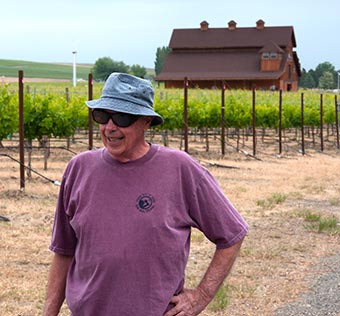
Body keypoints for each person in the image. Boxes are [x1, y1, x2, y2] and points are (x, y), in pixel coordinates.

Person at [43, 72, 249, 316]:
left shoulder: (180, 169)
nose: (110, 127)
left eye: (122, 117)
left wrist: (201, 295)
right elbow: (63, 252)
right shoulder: (79, 168)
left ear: (146, 122)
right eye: (102, 115)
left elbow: (232, 234)